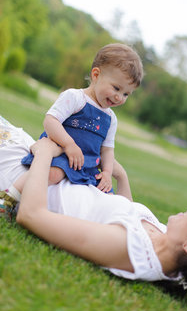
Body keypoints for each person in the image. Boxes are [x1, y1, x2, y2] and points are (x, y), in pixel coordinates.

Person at [0, 117, 187, 307]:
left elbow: (32, 215)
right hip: (41, 164)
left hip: (17, 171)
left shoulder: (125, 247)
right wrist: (121, 177)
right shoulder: (170, 248)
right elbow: (125, 214)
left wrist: (44, 153)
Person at [8, 43, 143, 207]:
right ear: (96, 74)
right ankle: (9, 198)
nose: (119, 97)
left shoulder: (111, 118)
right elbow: (51, 121)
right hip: (61, 155)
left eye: (126, 94)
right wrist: (68, 144)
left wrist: (107, 173)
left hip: (86, 166)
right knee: (53, 174)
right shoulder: (75, 98)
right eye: (116, 88)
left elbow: (107, 149)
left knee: (106, 195)